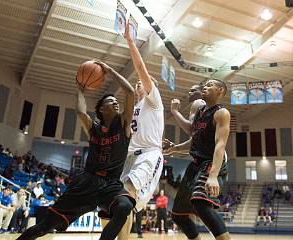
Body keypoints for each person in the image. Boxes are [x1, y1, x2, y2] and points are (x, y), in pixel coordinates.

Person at [16, 60, 135, 240]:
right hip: (87, 182)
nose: (116, 104)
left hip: (111, 184)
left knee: (125, 206)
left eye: (116, 102)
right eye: (111, 102)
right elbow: (80, 112)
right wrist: (81, 90)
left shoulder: (123, 125)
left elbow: (130, 92)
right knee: (45, 226)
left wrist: (110, 70)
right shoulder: (93, 128)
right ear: (101, 109)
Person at [163, 79, 231, 240]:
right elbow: (195, 139)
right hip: (195, 165)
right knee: (178, 214)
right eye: (204, 85)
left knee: (201, 204)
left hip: (212, 162)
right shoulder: (200, 112)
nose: (205, 87)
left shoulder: (221, 113)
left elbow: (220, 145)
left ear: (220, 90)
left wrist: (213, 176)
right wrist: (175, 147)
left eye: (209, 85)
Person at [117, 18, 165, 240]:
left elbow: (140, 68)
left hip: (148, 156)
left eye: (143, 82)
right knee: (119, 201)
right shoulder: (136, 107)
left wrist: (130, 41)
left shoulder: (152, 99)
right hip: (130, 156)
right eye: (138, 83)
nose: (139, 83)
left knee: (127, 195)